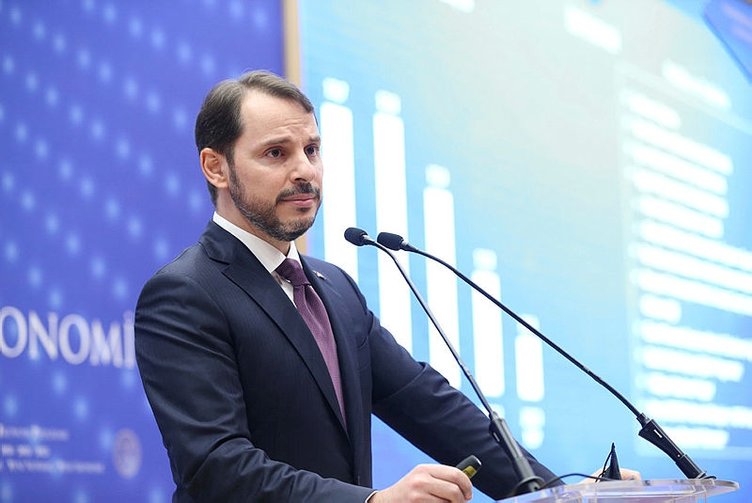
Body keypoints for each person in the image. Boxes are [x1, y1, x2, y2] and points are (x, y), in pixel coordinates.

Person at [135, 70, 629, 502]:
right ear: (216, 167)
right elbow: (217, 468)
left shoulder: (334, 288)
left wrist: (560, 495)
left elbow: (431, 408)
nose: (304, 170)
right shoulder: (186, 293)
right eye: (276, 153)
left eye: (312, 150)